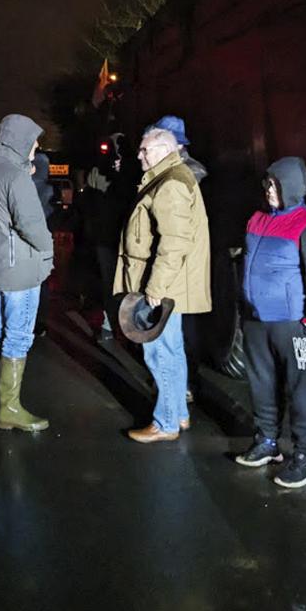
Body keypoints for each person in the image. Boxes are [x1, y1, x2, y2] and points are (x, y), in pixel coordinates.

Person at [236, 157, 306, 488]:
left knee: (301, 389)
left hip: (293, 325)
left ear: (292, 187)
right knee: (262, 384)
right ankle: (267, 441)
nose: (270, 190)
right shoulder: (257, 219)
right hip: (256, 321)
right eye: (268, 184)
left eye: (276, 185)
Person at [113, 126, 211, 442]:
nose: (139, 155)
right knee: (171, 349)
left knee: (159, 353)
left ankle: (165, 423)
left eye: (146, 150)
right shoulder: (170, 177)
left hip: (163, 287)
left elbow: (174, 242)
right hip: (171, 284)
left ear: (166, 150)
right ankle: (178, 413)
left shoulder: (170, 184)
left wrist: (155, 289)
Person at [0, 114, 53, 431]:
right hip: (18, 270)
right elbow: (31, 225)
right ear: (19, 140)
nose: (36, 146)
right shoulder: (16, 178)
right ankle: (9, 408)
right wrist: (48, 253)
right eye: (33, 141)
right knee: (18, 337)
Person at [82, 132, 136, 343]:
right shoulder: (128, 172)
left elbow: (89, 201)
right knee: (119, 281)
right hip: (118, 236)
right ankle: (118, 323)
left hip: (108, 235)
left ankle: (112, 323)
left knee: (111, 280)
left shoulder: (103, 171)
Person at [31, 151, 54, 338]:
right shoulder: (49, 190)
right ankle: (39, 321)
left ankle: (28, 319)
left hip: (26, 241)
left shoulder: (24, 187)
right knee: (42, 281)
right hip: (44, 241)